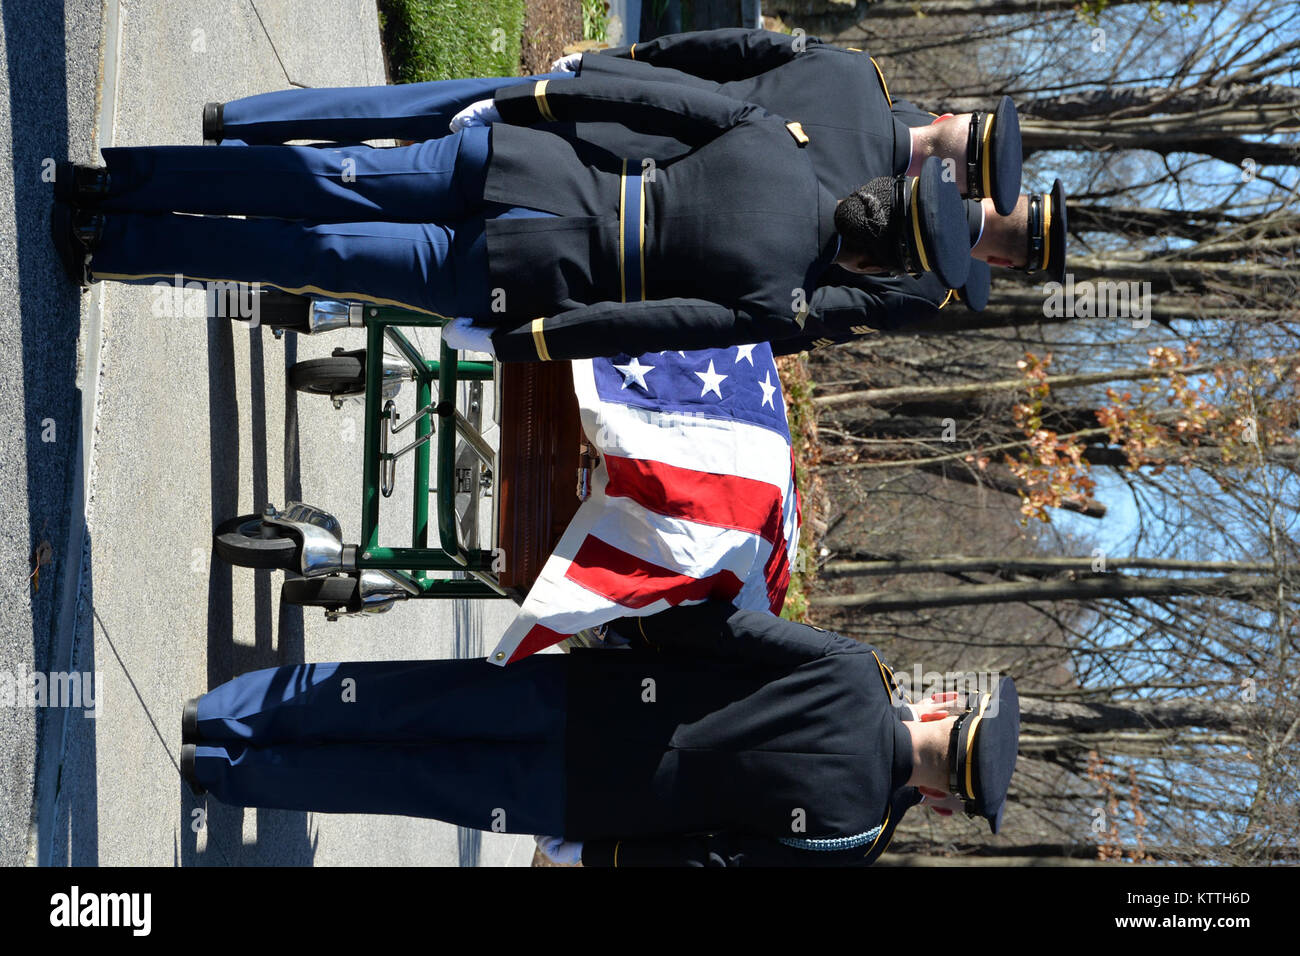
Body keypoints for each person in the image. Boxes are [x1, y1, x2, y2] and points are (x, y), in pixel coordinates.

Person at [51, 74, 973, 363]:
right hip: (529, 269)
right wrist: (523, 343)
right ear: (879, 263)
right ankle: (114, 245)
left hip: (528, 163)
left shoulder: (782, 141)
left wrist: (532, 97)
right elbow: (642, 328)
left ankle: (113, 182)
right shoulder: (790, 306)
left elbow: (654, 98)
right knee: (321, 253)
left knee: (326, 179)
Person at [180, 601, 1021, 866]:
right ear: (946, 803)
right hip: (592, 799)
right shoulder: (853, 839)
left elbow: (723, 629)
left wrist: (627, 635)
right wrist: (599, 855)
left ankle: (229, 711)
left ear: (944, 702)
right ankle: (229, 771)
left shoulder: (852, 667)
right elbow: (710, 866)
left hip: (589, 698)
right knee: (407, 782)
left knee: (404, 698)